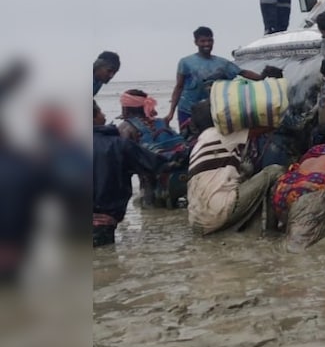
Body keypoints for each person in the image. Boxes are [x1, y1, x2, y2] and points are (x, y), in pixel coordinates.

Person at [186, 118, 286, 237]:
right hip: (216, 214)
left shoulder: (200, 143)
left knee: (252, 182)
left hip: (198, 223)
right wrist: (280, 117)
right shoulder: (221, 133)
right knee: (275, 171)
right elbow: (266, 128)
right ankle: (271, 232)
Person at [93, 102, 169, 246]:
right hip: (101, 223)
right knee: (106, 264)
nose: (104, 115)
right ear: (94, 117)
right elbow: (154, 164)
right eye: (101, 111)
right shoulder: (119, 144)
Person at [166, 27, 269, 129]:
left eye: (209, 40)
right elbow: (179, 87)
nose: (206, 44)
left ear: (213, 41)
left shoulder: (223, 64)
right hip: (187, 110)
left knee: (211, 141)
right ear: (196, 42)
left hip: (211, 111)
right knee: (188, 141)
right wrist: (171, 113)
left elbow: (243, 72)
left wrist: (263, 78)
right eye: (202, 41)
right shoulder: (185, 62)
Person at [116, 89, 189, 208]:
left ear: (125, 108)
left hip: (150, 181)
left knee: (150, 211)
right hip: (176, 170)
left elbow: (121, 161)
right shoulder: (162, 122)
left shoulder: (125, 127)